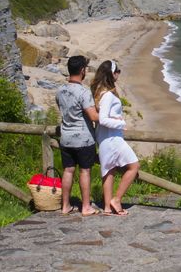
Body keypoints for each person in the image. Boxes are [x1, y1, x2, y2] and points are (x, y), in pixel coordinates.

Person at [90, 60, 140, 216]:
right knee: (134, 166)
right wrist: (121, 123)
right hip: (112, 138)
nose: (119, 73)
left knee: (108, 170)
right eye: (117, 71)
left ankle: (106, 207)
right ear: (111, 73)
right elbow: (103, 119)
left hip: (106, 137)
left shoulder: (101, 92)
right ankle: (116, 199)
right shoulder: (108, 96)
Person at [55, 55, 101, 216]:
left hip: (66, 137)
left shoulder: (60, 90)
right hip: (83, 138)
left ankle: (65, 205)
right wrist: (110, 116)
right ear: (82, 70)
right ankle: (86, 206)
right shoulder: (83, 92)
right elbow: (93, 116)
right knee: (85, 171)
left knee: (68, 171)